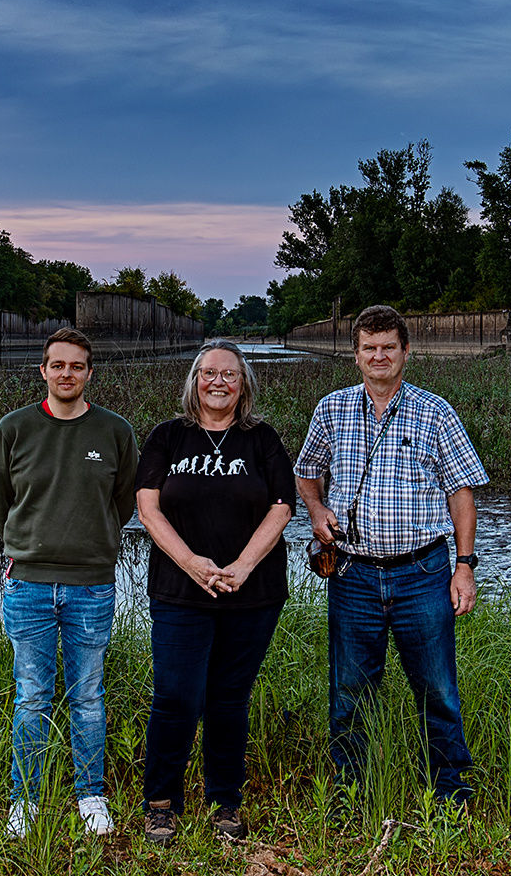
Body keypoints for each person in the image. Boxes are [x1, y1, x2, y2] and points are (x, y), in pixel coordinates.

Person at [293, 305, 488, 809]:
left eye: (388, 347)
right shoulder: (331, 409)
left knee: (438, 691)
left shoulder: (436, 411)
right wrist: (316, 510)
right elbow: (306, 473)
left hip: (423, 572)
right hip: (354, 574)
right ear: (355, 355)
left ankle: (451, 795)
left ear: (406, 352)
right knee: (350, 695)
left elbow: (460, 491)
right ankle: (349, 795)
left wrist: (464, 565)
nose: (379, 356)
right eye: (368, 348)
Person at [134, 339, 295, 845]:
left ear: (243, 382)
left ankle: (225, 801)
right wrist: (193, 564)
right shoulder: (167, 437)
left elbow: (282, 507)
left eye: (229, 374)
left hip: (252, 592)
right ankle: (161, 802)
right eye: (208, 373)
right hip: (180, 592)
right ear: (194, 381)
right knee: (177, 696)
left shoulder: (263, 439)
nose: (218, 382)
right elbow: (148, 508)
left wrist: (243, 566)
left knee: (229, 698)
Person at [0, 327, 139, 838]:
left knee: (88, 694)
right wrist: (29, 546)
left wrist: (92, 545)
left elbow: (122, 503)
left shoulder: (115, 431)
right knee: (31, 696)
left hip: (91, 585)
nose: (66, 374)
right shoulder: (14, 428)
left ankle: (90, 794)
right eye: (58, 365)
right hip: (27, 584)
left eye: (76, 366)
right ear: (44, 371)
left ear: (89, 373)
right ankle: (23, 800)